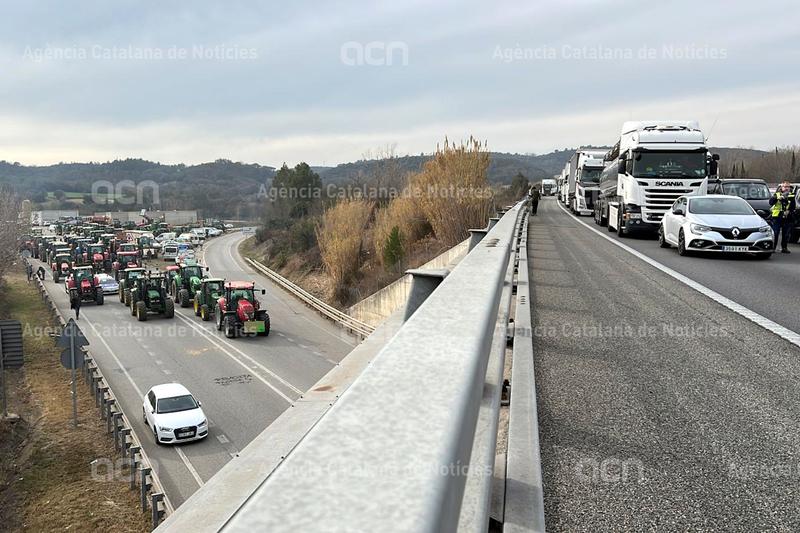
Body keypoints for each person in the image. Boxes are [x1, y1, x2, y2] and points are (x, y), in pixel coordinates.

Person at [768, 181, 796, 253]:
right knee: (776, 232)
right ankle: (773, 248)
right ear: (781, 187)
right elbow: (770, 202)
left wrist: (789, 211)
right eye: (785, 186)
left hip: (787, 217)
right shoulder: (777, 194)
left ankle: (784, 248)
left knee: (786, 234)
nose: (786, 188)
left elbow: (793, 206)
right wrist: (777, 198)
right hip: (777, 216)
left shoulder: (792, 195)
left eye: (788, 187)